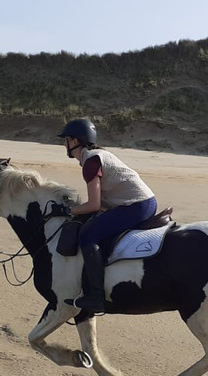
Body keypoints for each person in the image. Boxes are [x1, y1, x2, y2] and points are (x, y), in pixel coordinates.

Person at [57, 118, 158, 312]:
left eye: (66, 140)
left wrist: (68, 211)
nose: (64, 144)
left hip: (136, 206)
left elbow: (94, 205)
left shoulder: (91, 161)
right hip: (143, 202)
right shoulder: (96, 155)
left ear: (75, 141)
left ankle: (96, 297)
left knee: (88, 235)